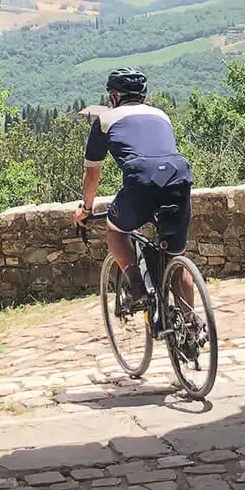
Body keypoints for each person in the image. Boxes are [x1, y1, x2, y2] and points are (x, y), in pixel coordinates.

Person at [73, 68, 194, 324]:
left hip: (141, 183)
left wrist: (86, 208)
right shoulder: (162, 115)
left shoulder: (105, 121)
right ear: (143, 97)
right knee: (177, 257)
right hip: (179, 179)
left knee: (116, 231)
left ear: (114, 97)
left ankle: (137, 285)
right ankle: (192, 325)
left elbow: (92, 175)